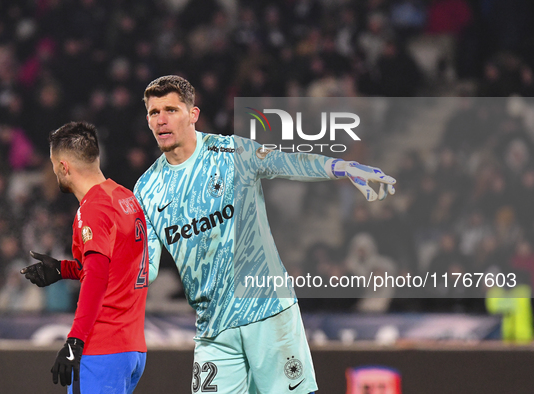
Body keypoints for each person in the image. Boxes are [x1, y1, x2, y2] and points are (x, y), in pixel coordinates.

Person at [134, 75, 396, 394]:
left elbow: (289, 162)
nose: (161, 120)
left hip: (268, 312)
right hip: (214, 329)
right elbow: (143, 269)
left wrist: (344, 168)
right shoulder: (147, 189)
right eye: (153, 112)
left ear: (193, 114)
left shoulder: (231, 151)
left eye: (171, 110)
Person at [21, 121, 149, 393]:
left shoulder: (92, 210)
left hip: (101, 349)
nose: (55, 173)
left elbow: (98, 277)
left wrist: (75, 342)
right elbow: (118, 268)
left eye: (55, 166)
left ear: (64, 167)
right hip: (132, 349)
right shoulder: (126, 198)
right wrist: (62, 270)